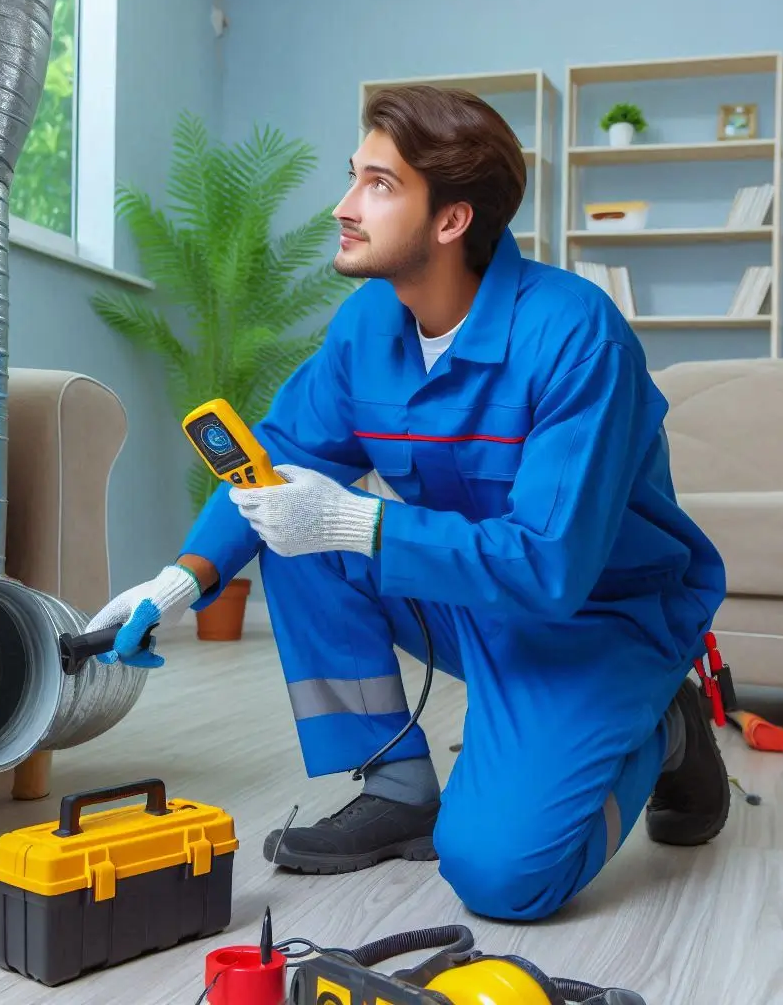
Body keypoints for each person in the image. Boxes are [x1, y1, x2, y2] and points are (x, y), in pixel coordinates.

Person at [85, 85, 731, 922]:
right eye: (354, 177)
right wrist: (176, 583)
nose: (343, 207)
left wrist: (355, 520)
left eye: (378, 185)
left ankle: (665, 726)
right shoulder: (367, 329)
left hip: (600, 623)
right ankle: (397, 784)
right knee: (292, 529)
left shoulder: (575, 338)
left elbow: (551, 565)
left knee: (501, 876)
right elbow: (278, 462)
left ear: (452, 220)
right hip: (474, 601)